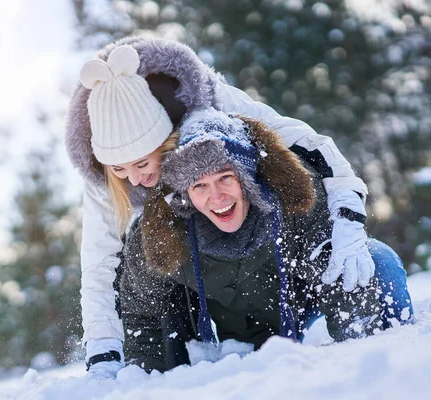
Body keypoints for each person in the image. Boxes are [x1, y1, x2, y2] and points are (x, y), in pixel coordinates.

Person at [65, 37, 377, 378]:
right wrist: (102, 348)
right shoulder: (104, 174)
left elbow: (307, 142)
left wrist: (347, 214)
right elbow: (98, 263)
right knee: (150, 272)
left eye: (141, 163)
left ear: (165, 137)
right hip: (202, 278)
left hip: (270, 254)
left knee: (373, 265)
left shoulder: (213, 110)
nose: (134, 180)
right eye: (120, 170)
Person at [112, 108, 413, 372]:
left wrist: (359, 362)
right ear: (185, 194)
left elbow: (339, 275)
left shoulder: (294, 199)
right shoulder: (162, 232)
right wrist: (153, 382)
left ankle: (389, 353)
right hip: (238, 336)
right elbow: (143, 311)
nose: (216, 197)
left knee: (374, 261)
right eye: (199, 185)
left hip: (304, 311)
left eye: (225, 178)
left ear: (246, 177)